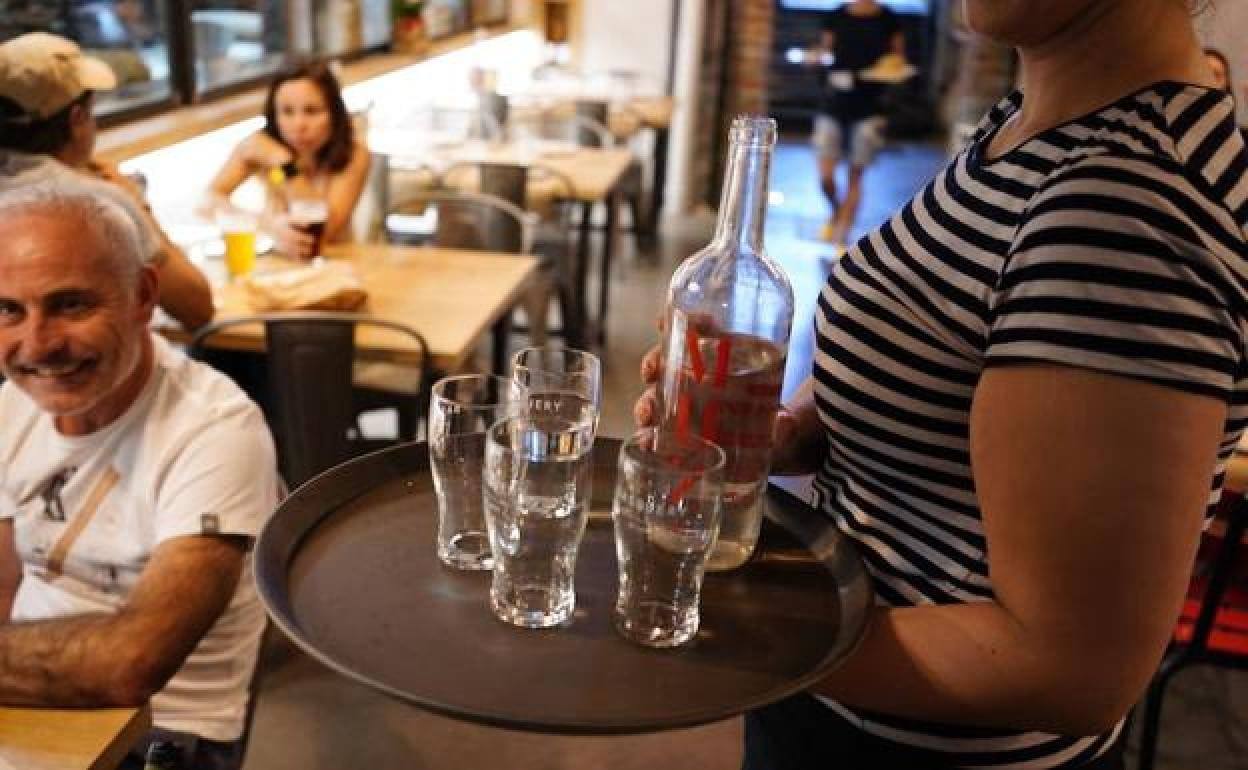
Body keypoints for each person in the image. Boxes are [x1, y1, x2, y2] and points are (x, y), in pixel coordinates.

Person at [638, 0, 1245, 766]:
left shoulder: (1123, 202)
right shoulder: (1035, 123)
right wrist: (778, 434)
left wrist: (728, 621)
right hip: (845, 708)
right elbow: (940, 386)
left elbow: (1069, 667)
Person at [0, 179, 279, 770]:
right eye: (9, 310)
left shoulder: (216, 430)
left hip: (168, 735)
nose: (38, 343)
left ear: (144, 295)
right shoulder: (11, 407)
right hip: (24, 702)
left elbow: (134, 661)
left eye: (70, 304)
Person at [0, 32, 214, 332]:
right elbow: (196, 308)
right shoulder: (96, 202)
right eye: (92, 113)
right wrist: (138, 208)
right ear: (76, 119)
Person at [207, 61, 371, 260]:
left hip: (334, 265)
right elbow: (208, 199)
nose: (299, 124)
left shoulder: (355, 153)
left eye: (312, 111)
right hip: (276, 266)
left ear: (334, 113)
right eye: (287, 112)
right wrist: (267, 225)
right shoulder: (259, 145)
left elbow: (326, 230)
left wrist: (283, 163)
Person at [808, 0, 906, 249]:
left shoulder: (889, 18)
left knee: (855, 175)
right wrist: (814, 58)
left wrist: (891, 70)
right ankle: (837, 212)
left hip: (870, 105)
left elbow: (897, 60)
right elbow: (824, 51)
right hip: (834, 102)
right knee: (825, 177)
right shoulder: (837, 15)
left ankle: (842, 234)